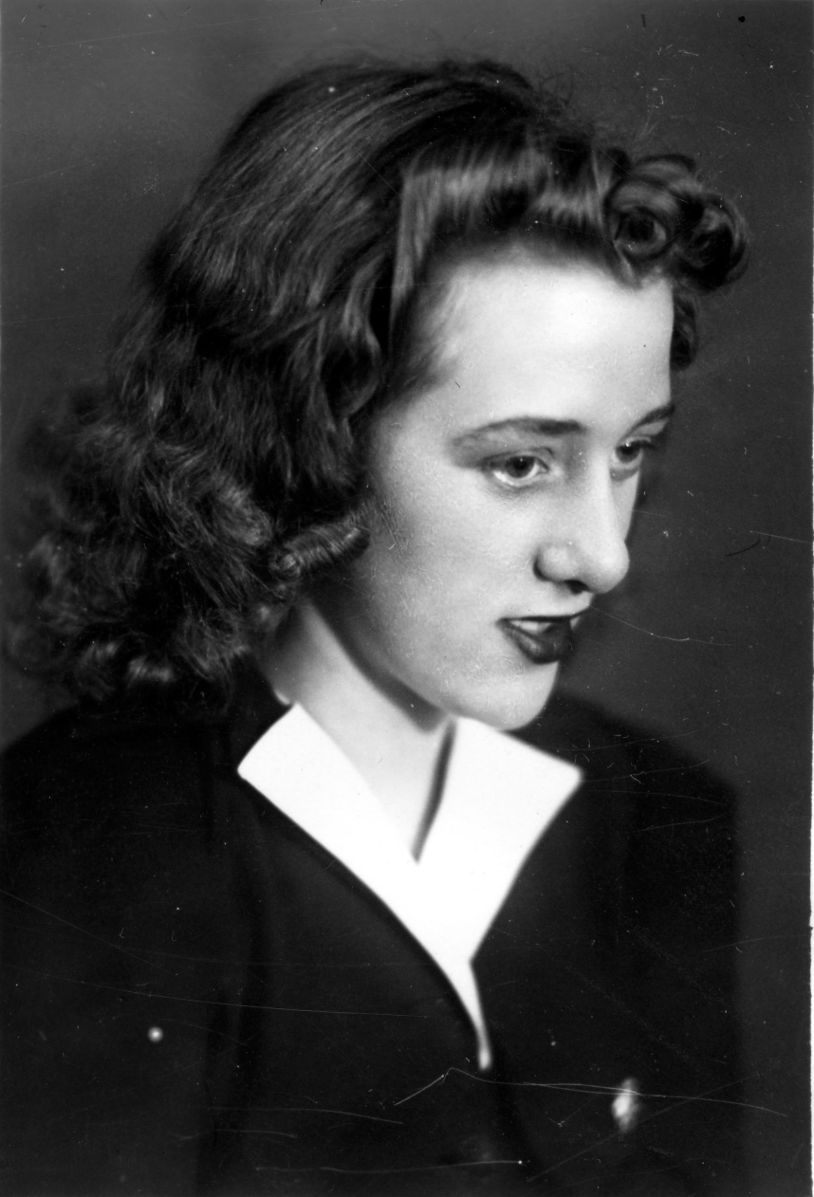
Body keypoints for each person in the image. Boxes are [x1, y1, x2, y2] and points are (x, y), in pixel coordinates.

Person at [1, 58, 747, 1196]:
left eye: (631, 450)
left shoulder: (658, 817)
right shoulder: (81, 845)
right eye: (520, 462)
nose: (602, 556)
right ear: (315, 437)